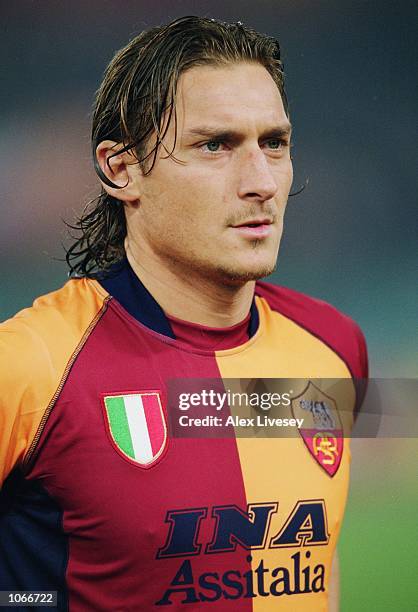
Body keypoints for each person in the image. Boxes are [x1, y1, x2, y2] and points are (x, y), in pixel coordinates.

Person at [0, 15, 368, 611]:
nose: (262, 182)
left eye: (274, 143)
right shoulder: (28, 365)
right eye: (214, 145)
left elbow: (317, 576)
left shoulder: (334, 345)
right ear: (121, 169)